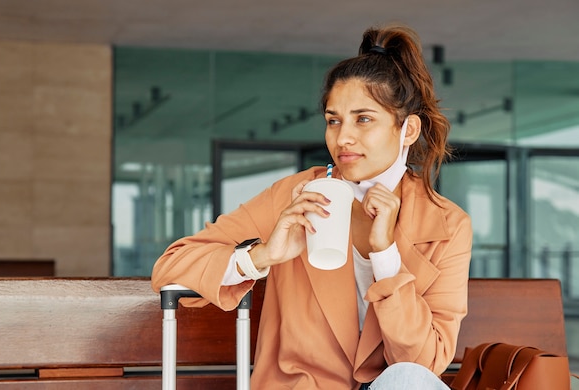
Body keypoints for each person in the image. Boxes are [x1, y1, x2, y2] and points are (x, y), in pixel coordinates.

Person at [151, 23, 472, 389]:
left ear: (408, 130)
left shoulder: (447, 224)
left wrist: (386, 257)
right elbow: (170, 266)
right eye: (333, 121)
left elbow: (423, 366)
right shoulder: (298, 194)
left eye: (363, 119)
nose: (343, 137)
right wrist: (261, 256)